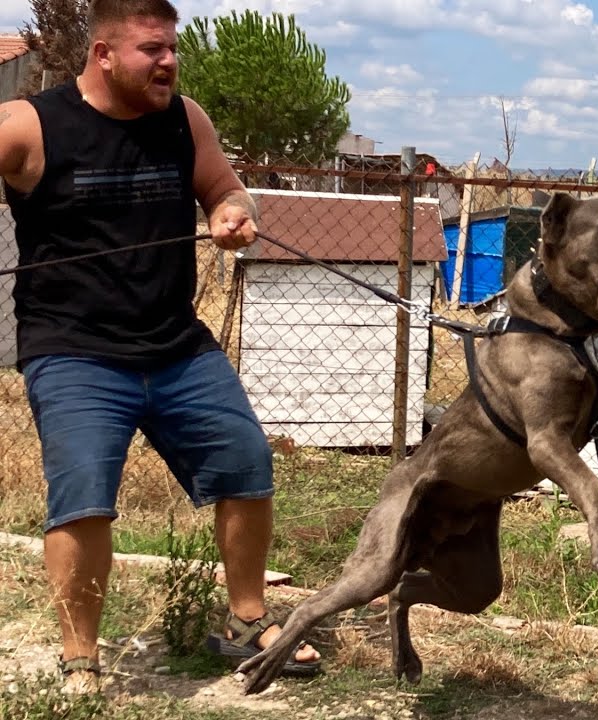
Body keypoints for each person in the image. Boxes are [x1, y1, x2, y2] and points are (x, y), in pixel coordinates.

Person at [0, 0, 320, 692]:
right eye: (152, 49)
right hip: (73, 350)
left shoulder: (184, 119)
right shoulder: (31, 126)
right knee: (82, 497)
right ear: (104, 54)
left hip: (176, 343)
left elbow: (225, 189)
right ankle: (81, 657)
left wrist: (235, 212)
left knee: (246, 463)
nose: (170, 61)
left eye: (172, 47)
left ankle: (244, 618)